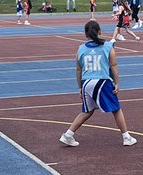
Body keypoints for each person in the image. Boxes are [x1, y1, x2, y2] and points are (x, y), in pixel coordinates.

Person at [59, 20, 138, 148]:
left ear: (85, 34)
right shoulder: (107, 47)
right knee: (116, 109)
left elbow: (79, 70)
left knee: (87, 110)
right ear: (100, 32)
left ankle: (68, 134)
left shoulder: (81, 49)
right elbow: (113, 66)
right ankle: (126, 136)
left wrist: (80, 87)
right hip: (102, 82)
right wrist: (117, 83)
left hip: (86, 82)